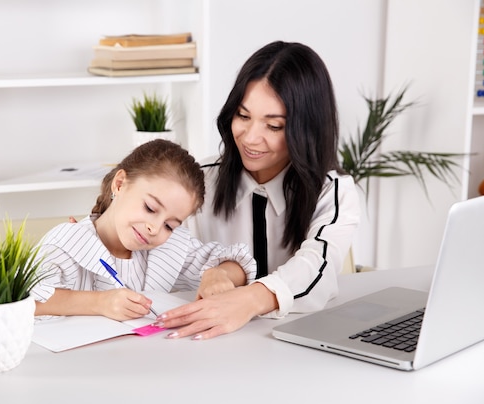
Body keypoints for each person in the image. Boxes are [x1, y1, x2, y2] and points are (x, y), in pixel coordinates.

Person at [154, 41, 361, 340]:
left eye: (274, 126)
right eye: (243, 116)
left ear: (306, 129)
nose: (251, 138)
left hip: (298, 350)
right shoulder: (198, 180)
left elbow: (317, 267)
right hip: (206, 348)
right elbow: (155, 255)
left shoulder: (332, 191)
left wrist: (249, 300)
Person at [32, 139, 256, 321]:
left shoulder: (167, 248)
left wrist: (218, 274)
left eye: (170, 225)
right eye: (150, 208)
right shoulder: (67, 242)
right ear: (119, 184)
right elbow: (26, 300)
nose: (154, 228)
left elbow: (237, 262)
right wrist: (100, 302)